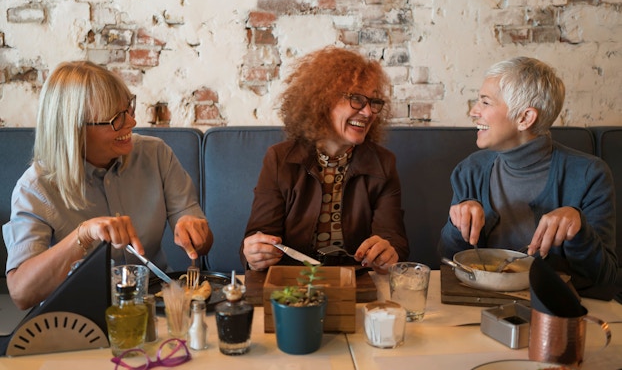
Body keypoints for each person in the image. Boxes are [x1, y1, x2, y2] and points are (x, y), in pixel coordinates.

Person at [2, 61, 213, 310]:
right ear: (74, 130)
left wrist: (196, 232)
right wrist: (83, 235)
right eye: (116, 119)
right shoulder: (35, 188)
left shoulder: (156, 154)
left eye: (129, 108)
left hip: (154, 308)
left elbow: (204, 241)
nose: (131, 123)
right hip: (78, 318)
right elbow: (21, 293)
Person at [439, 56, 618, 299]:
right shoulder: (470, 170)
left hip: (557, 313)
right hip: (480, 305)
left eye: (485, 102)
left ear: (524, 118)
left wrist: (579, 230)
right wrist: (456, 224)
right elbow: (447, 263)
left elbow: (605, 279)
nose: (474, 111)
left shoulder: (590, 175)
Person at [241, 46, 409, 273]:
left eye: (373, 102)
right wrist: (255, 255)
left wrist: (389, 251)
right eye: (357, 99)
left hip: (356, 282)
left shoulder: (383, 163)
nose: (368, 112)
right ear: (323, 101)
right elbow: (259, 236)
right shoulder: (279, 159)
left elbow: (394, 238)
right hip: (292, 285)